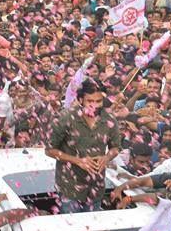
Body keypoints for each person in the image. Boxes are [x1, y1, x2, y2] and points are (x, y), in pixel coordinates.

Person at [46, 80, 121, 213]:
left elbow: (116, 147)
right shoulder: (65, 118)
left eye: (99, 101)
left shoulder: (110, 120)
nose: (95, 105)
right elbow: (49, 150)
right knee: (73, 229)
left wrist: (107, 158)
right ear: (80, 100)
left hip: (96, 187)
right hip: (70, 187)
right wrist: (78, 161)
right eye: (90, 101)